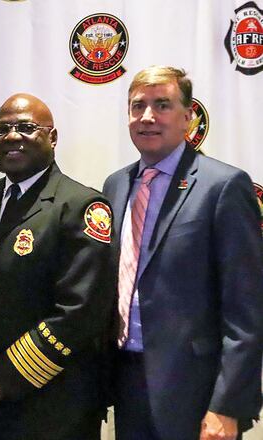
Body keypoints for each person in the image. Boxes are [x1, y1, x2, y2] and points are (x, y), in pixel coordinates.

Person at [103, 66, 263, 440]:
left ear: (189, 116)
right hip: (126, 380)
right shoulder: (115, 185)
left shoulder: (223, 186)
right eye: (137, 105)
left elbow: (247, 310)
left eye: (162, 105)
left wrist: (226, 406)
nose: (147, 116)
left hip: (197, 391)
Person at [0, 93, 114, 440]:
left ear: (52, 138)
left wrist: (2, 379)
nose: (11, 136)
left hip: (53, 407)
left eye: (26, 128)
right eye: (2, 129)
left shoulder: (82, 205)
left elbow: (80, 313)